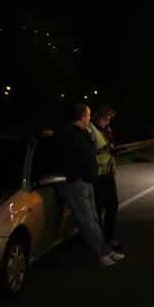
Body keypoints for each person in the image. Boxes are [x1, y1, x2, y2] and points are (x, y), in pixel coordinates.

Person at [55, 102, 125, 267]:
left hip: (88, 180)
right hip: (77, 182)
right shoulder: (66, 133)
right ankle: (99, 254)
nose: (89, 118)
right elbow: (66, 159)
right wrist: (75, 175)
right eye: (88, 115)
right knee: (87, 220)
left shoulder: (81, 132)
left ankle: (105, 249)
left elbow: (88, 153)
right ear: (81, 116)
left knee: (93, 218)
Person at [90, 103, 121, 250]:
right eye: (105, 118)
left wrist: (114, 149)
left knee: (112, 205)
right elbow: (87, 152)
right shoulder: (90, 130)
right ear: (97, 117)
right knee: (97, 208)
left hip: (108, 174)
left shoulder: (106, 129)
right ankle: (98, 240)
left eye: (109, 119)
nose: (108, 121)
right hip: (96, 176)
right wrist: (102, 149)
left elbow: (111, 145)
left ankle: (109, 238)